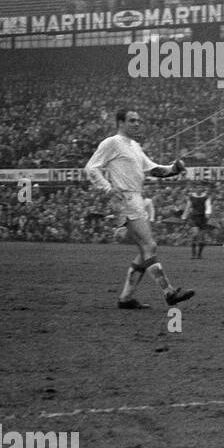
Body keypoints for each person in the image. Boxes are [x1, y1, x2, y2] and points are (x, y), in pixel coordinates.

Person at [84, 109, 195, 309]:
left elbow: (153, 169)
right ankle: (169, 292)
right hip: (125, 197)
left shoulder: (134, 146)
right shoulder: (112, 143)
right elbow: (91, 167)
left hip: (135, 197)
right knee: (149, 245)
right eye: (132, 120)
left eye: (138, 121)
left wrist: (174, 169)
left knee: (144, 250)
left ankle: (126, 298)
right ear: (120, 122)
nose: (137, 124)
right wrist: (107, 189)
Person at [182, 186, 213, 259]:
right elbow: (188, 207)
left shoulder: (206, 197)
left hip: (202, 218)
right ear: (195, 189)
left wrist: (208, 213)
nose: (199, 189)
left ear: (202, 189)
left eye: (200, 188)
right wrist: (184, 216)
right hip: (194, 217)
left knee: (201, 237)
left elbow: (208, 206)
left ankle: (199, 255)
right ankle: (193, 254)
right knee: (195, 235)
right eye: (197, 187)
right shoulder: (191, 197)